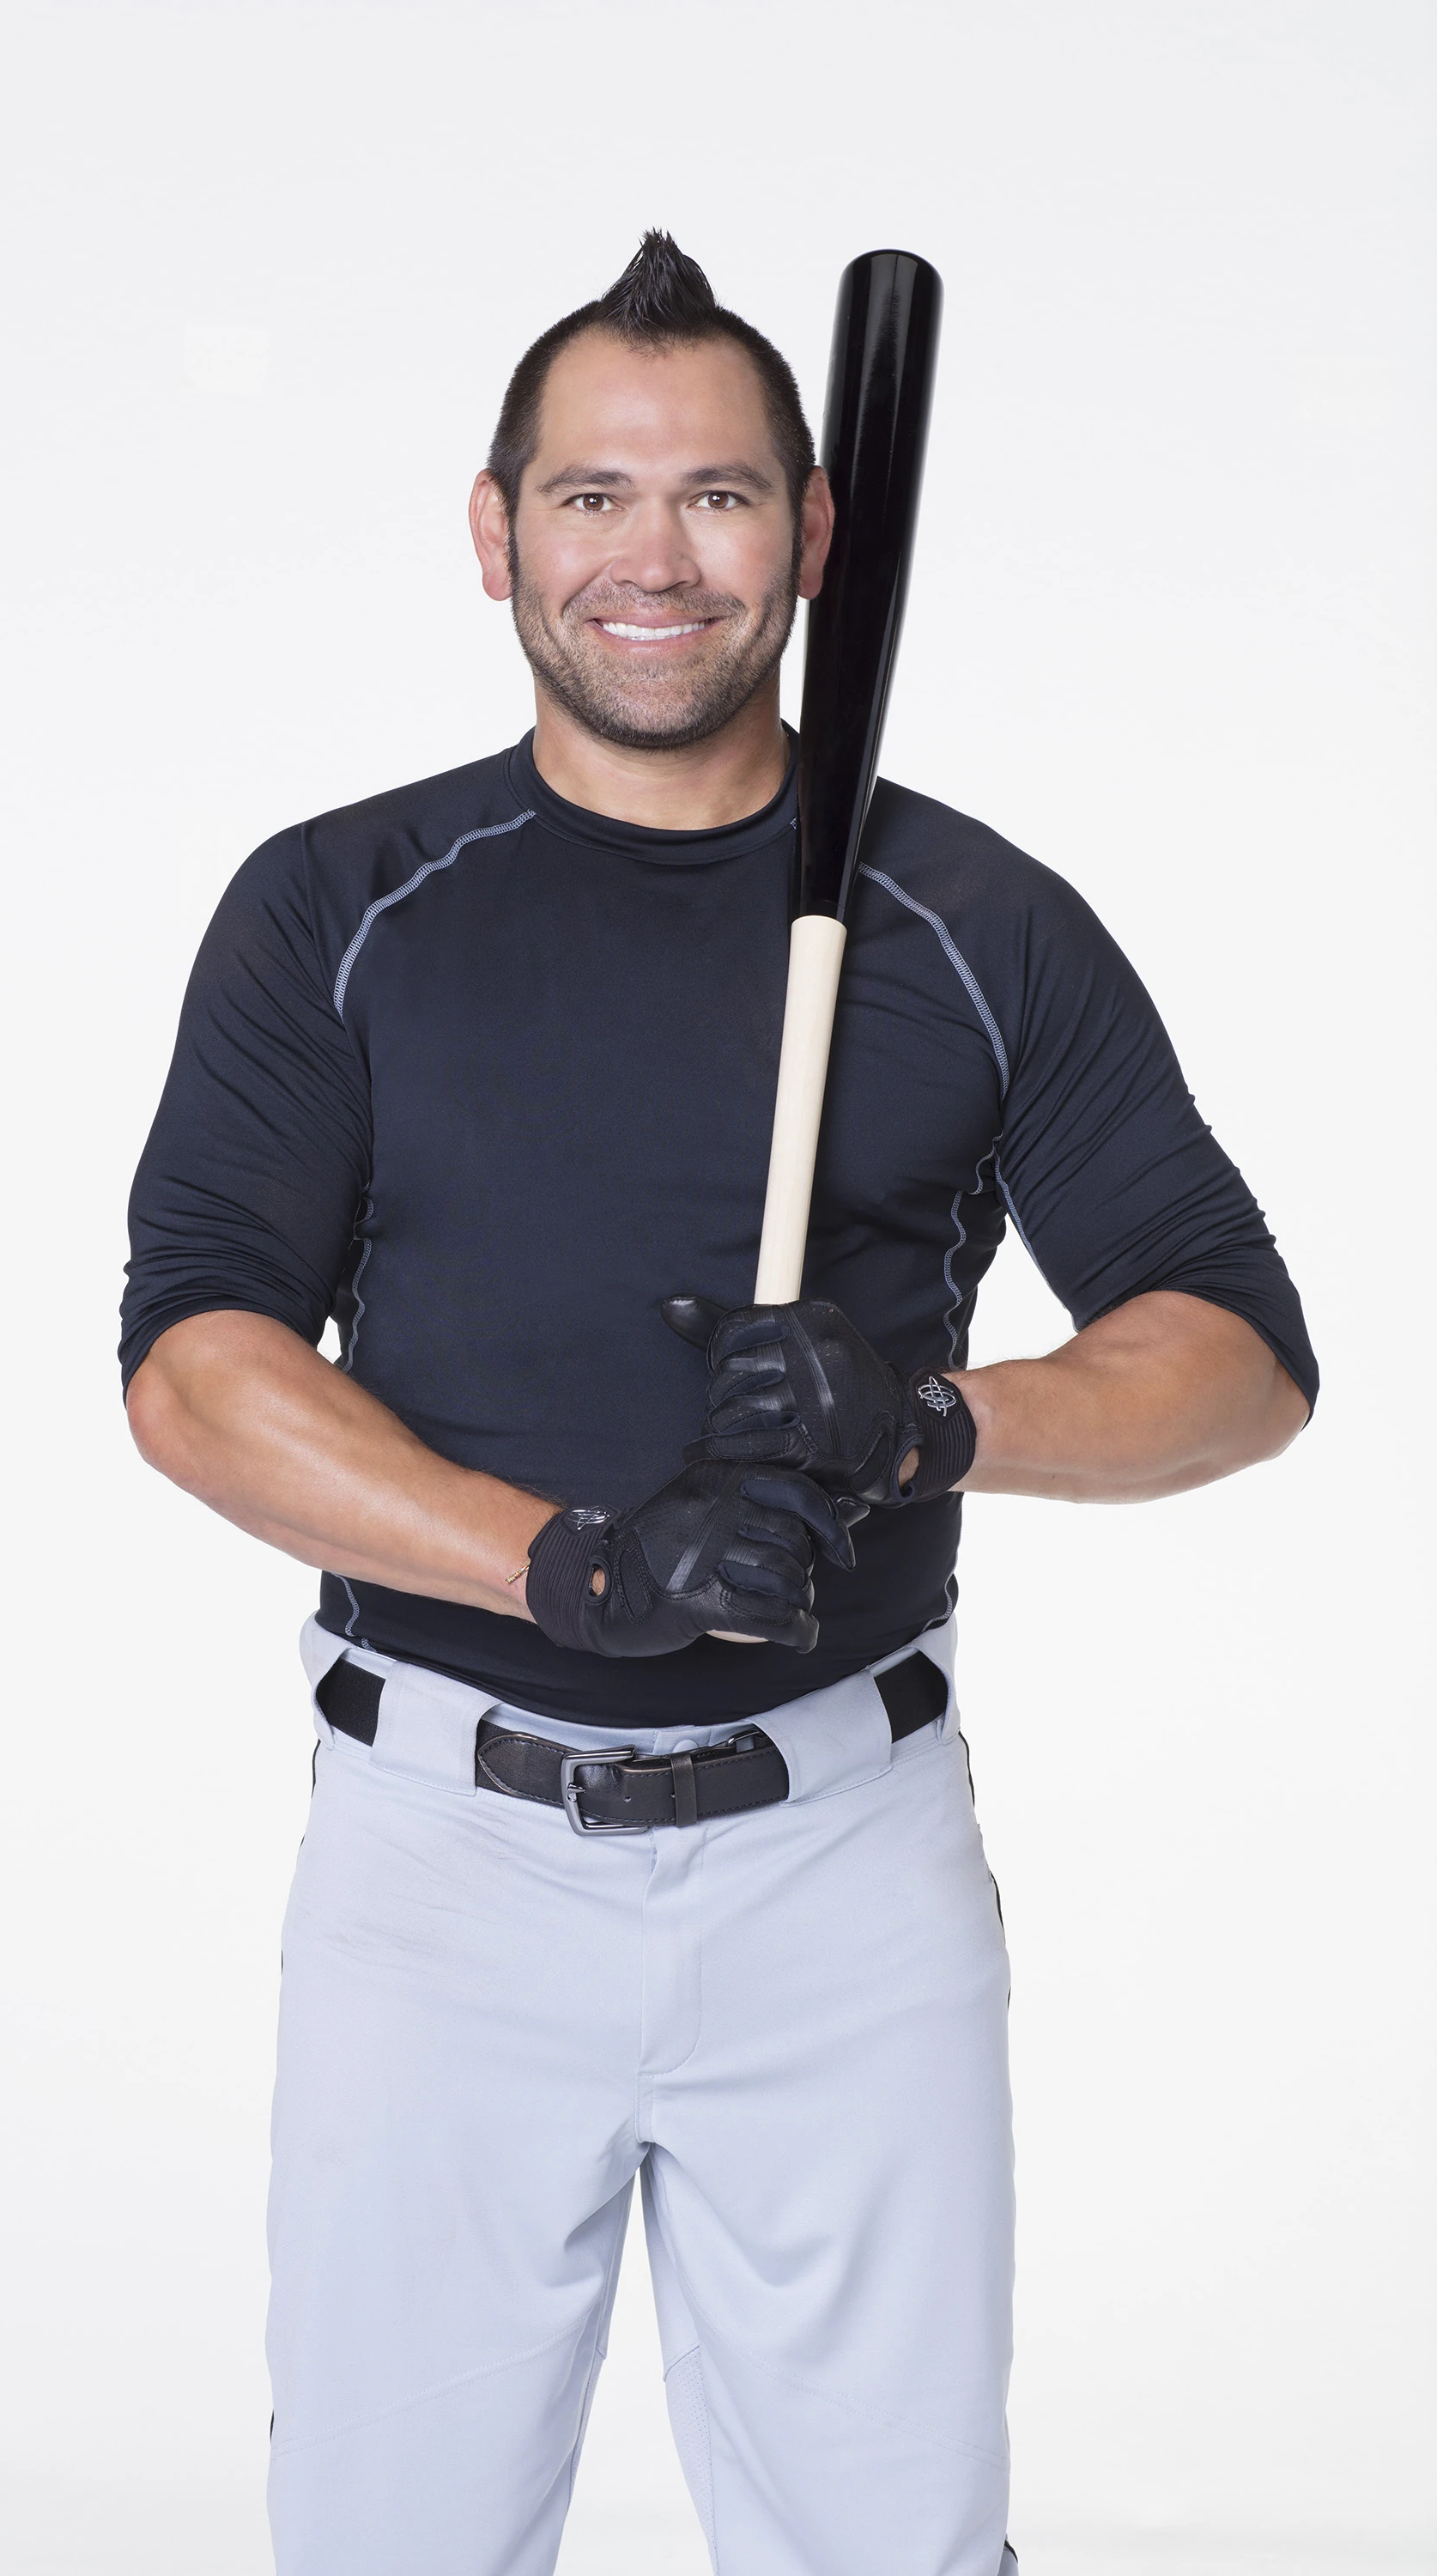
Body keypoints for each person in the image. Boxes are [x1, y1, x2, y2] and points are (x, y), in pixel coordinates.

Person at [119, 233, 1315, 2576]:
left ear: (815, 534)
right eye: (593, 497)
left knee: (892, 2551)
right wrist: (567, 1566)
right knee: (389, 2544)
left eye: (721, 496)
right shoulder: (343, 905)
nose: (653, 559)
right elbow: (195, 1372)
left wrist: (931, 1421)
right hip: (442, 1861)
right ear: (496, 534)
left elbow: (1240, 1362)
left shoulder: (978, 921)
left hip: (842, 1859)